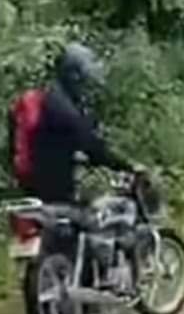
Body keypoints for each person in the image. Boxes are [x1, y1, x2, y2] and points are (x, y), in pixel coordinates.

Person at [9, 42, 130, 203]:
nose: (86, 86)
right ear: (74, 76)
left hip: (39, 181)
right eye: (84, 80)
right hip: (52, 190)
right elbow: (92, 146)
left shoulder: (51, 95)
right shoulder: (63, 110)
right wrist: (127, 166)